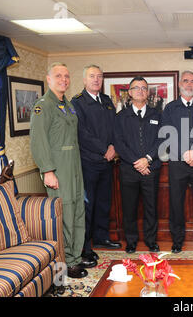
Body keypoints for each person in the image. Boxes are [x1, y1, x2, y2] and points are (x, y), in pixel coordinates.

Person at [30, 63, 87, 278]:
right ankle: (64, 265)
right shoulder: (43, 106)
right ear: (48, 79)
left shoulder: (68, 105)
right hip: (57, 169)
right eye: (58, 76)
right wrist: (48, 171)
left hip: (74, 165)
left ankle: (75, 257)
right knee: (64, 215)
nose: (63, 79)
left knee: (78, 211)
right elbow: (38, 141)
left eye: (66, 76)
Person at [71, 64, 122, 266]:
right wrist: (105, 149)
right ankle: (85, 247)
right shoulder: (77, 103)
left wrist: (113, 147)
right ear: (84, 80)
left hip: (107, 163)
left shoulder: (108, 101)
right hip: (88, 163)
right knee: (88, 206)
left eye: (99, 77)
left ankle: (102, 238)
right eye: (92, 76)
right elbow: (82, 133)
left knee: (103, 203)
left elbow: (115, 129)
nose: (96, 80)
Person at [160, 71, 193, 253]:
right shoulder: (170, 108)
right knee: (176, 202)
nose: (189, 84)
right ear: (179, 85)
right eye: (186, 81)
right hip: (177, 163)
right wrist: (184, 153)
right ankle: (177, 240)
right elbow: (166, 135)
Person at [114, 76, 162, 253]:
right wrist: (137, 162)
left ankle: (151, 241)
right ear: (130, 93)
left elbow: (162, 139)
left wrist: (147, 159)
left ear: (147, 93)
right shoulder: (120, 117)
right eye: (136, 88)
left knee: (151, 207)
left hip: (151, 169)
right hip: (129, 170)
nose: (140, 91)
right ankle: (131, 241)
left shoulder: (157, 115)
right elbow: (118, 143)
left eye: (144, 88)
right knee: (129, 207)